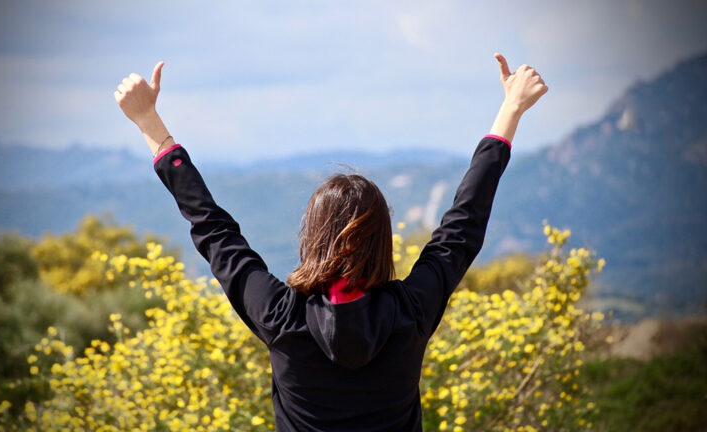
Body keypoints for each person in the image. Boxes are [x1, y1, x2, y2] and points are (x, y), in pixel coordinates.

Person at [114, 53, 547, 431]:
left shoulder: (281, 316)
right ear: (383, 240)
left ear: (311, 236)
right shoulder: (410, 311)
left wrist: (149, 122)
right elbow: (464, 225)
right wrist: (511, 110)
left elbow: (212, 228)